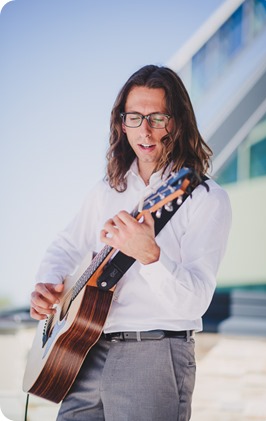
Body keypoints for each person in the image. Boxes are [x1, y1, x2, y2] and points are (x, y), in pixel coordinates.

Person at [30, 64, 231, 421]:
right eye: (135, 118)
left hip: (153, 354)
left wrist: (150, 256)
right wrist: (48, 284)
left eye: (157, 117)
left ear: (178, 122)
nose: (146, 130)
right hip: (84, 352)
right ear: (122, 124)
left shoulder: (205, 197)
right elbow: (65, 246)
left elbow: (196, 300)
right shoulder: (108, 189)